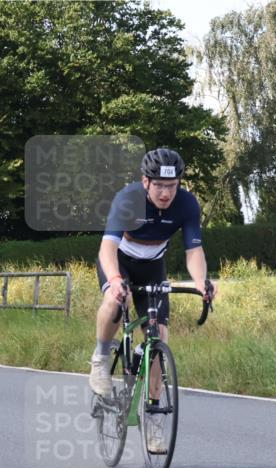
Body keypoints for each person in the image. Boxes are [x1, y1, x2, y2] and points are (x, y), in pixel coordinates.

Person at [89, 148, 214, 451]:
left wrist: (201, 281)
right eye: (159, 185)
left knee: (160, 339)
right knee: (114, 303)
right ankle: (101, 358)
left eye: (172, 186)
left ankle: (154, 420)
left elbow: (194, 250)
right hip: (120, 262)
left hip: (153, 267)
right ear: (145, 181)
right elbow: (107, 247)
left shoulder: (186, 204)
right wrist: (115, 280)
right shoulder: (128, 199)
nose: (166, 193)